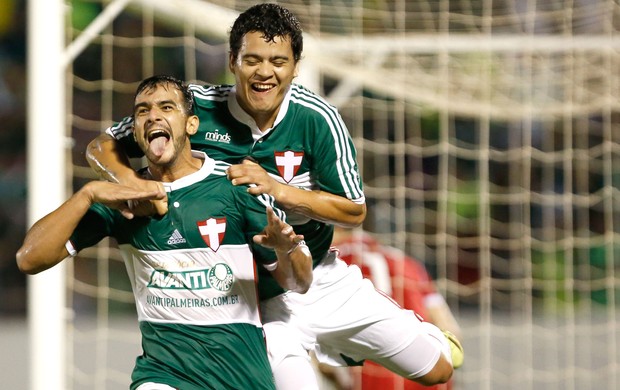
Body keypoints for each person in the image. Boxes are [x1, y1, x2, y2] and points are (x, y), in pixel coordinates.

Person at [85, 4, 462, 389]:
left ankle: (394, 344)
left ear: (295, 66)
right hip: (257, 299)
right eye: (252, 60)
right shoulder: (194, 107)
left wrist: (280, 190)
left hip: (319, 276)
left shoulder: (317, 118)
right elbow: (102, 146)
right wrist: (134, 186)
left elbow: (353, 211)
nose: (265, 72)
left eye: (278, 61)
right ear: (233, 62)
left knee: (439, 368)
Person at [17, 75, 313, 390]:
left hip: (242, 377)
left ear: (191, 125)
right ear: (136, 132)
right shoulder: (122, 202)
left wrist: (287, 248)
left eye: (166, 107)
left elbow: (300, 282)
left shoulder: (235, 187)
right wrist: (88, 193)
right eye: (142, 111)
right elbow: (29, 258)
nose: (153, 116)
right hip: (163, 377)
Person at [316, 226, 462, 390]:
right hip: (428, 373)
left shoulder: (329, 264)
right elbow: (450, 327)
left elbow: (320, 355)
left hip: (373, 380)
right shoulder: (403, 260)